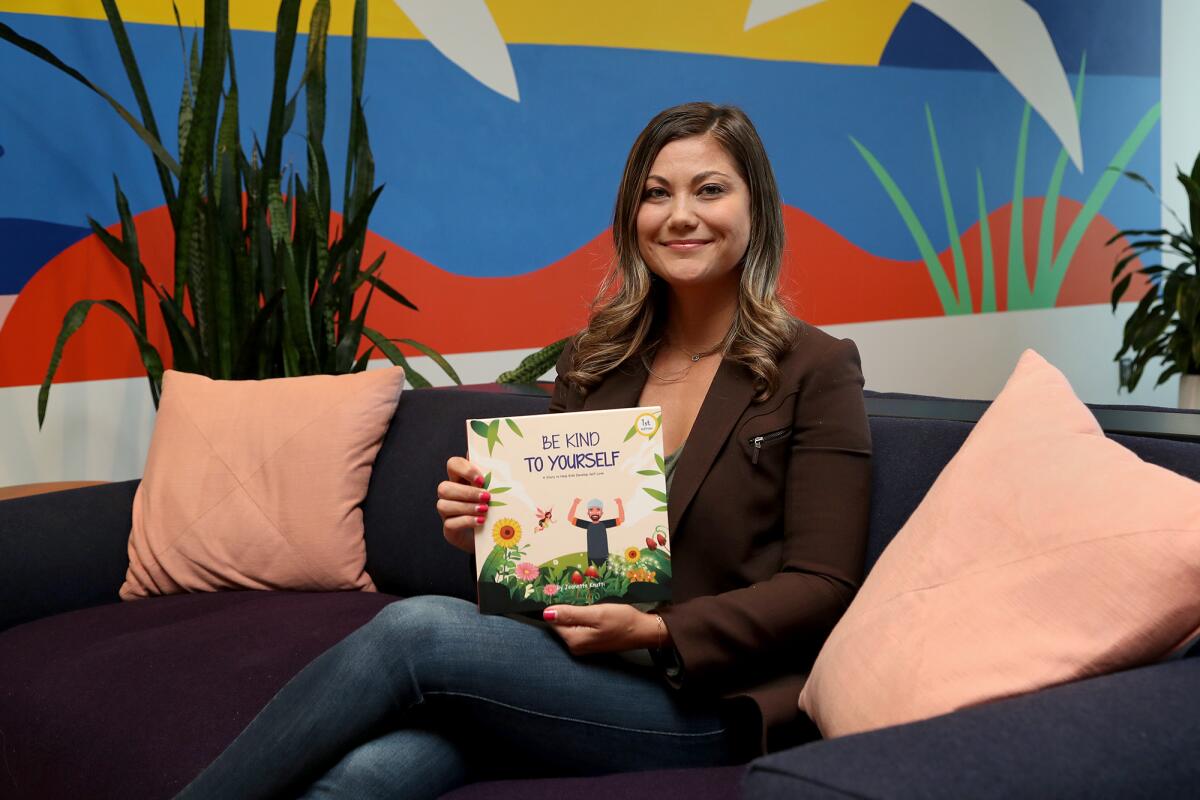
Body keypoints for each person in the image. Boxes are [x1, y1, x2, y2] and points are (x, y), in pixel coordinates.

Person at [177, 102, 872, 799]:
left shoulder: (815, 367)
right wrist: (485, 531)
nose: (680, 215)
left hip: (701, 700)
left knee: (416, 631)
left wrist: (659, 631)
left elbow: (822, 586)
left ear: (758, 208)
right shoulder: (594, 361)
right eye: (656, 193)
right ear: (633, 216)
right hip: (562, 669)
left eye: (710, 189)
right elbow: (551, 563)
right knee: (363, 779)